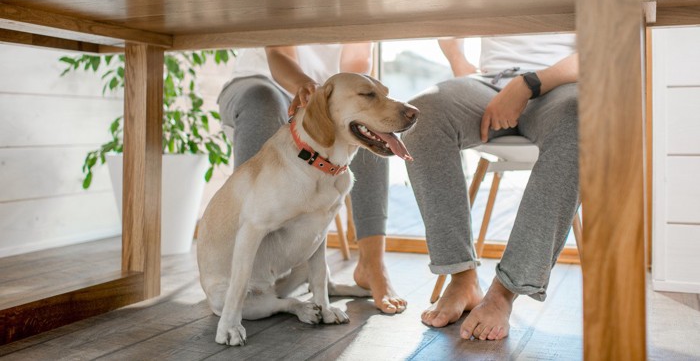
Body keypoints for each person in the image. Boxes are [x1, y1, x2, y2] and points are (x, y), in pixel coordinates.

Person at [401, 34, 579, 340]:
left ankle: (503, 293)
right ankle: (462, 278)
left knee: (586, 118)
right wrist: (460, 62)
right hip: (487, 82)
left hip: (561, 83)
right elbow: (450, 28)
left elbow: (603, 49)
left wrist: (528, 84)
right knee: (421, 116)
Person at [217, 43, 406, 314]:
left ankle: (372, 265)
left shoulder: (361, 2)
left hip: (329, 93)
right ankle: (241, 279)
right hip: (261, 80)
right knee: (263, 100)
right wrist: (305, 85)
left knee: (365, 122)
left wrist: (347, 101)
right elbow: (279, 54)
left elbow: (357, 60)